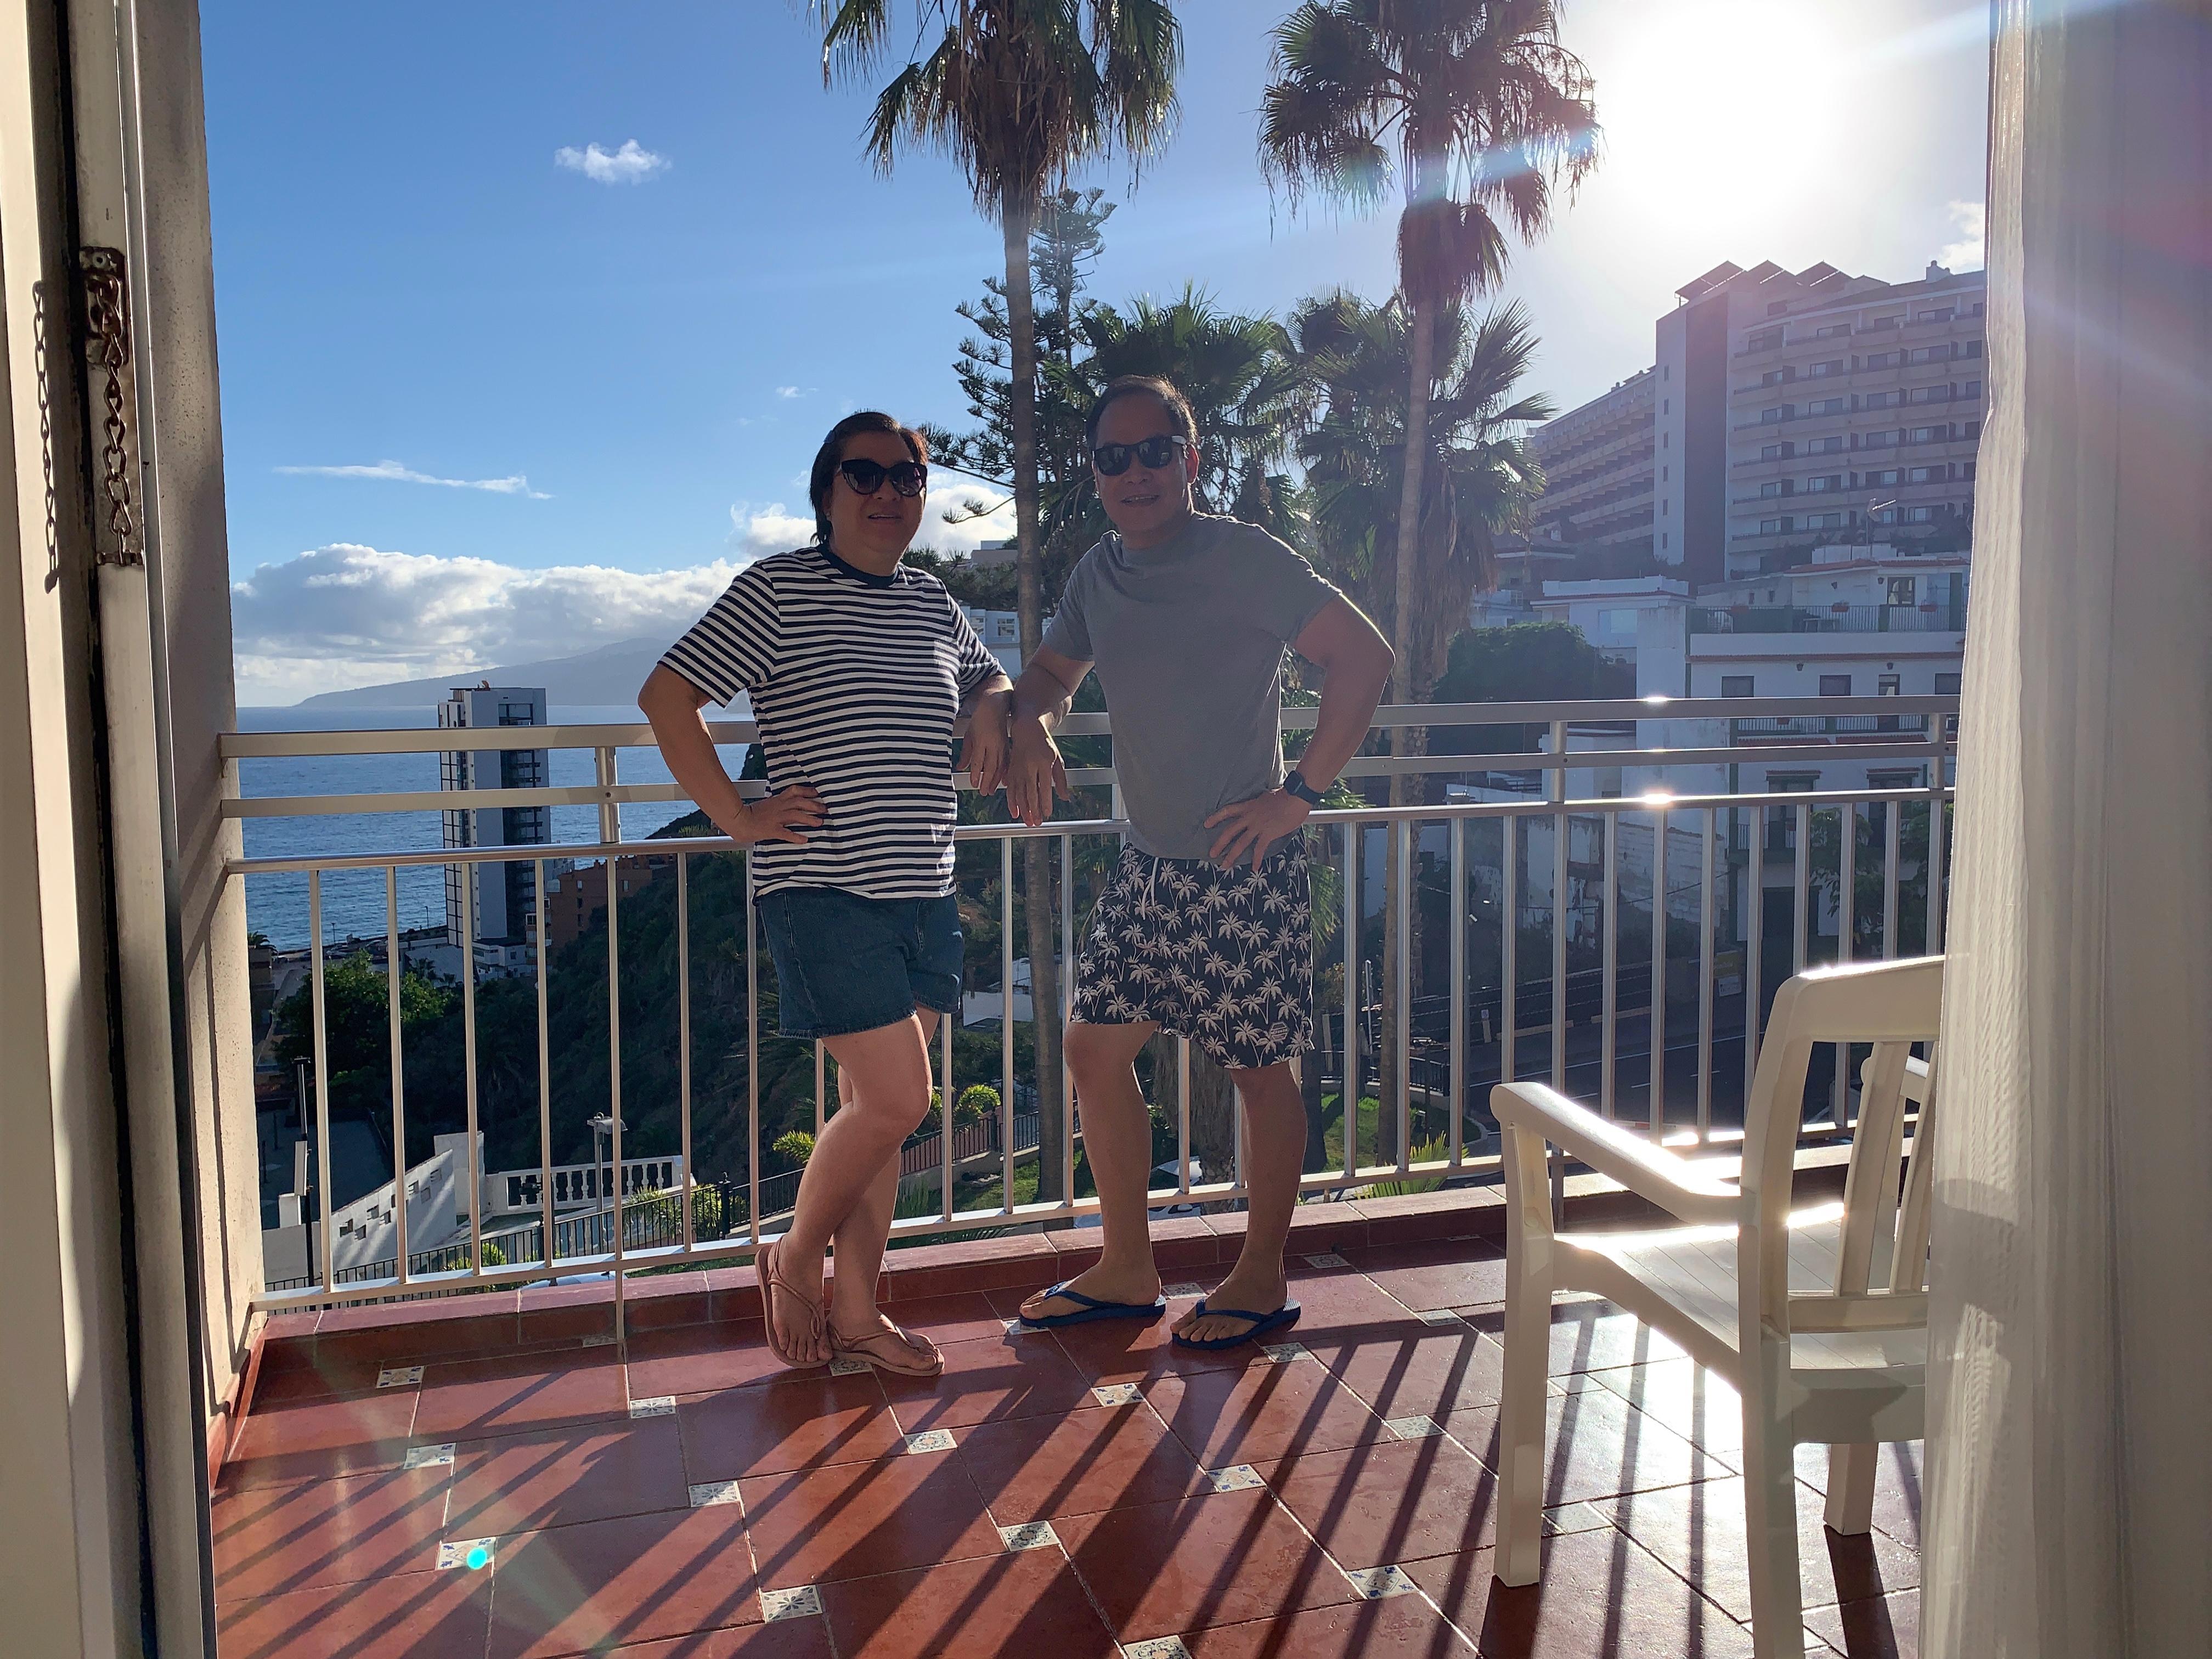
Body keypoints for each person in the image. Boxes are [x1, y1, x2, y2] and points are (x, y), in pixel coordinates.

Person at [1005, 375, 1393, 1350]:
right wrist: (1034, 722)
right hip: (1148, 865)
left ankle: (1260, 1276)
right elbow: (1054, 670)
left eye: (1153, 449)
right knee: (1093, 1051)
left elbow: (1365, 658)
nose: (1134, 471)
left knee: (1260, 1070)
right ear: (1094, 474)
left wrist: (1298, 794)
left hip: (1239, 862)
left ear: (1191, 456)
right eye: (1112, 456)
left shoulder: (1242, 557)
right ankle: (1129, 1266)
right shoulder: (1100, 573)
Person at [640, 411, 1013, 1375]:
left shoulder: (934, 602)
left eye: (908, 478)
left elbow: (991, 679)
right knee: (898, 1099)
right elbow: (668, 696)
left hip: (925, 889)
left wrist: (999, 712)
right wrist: (735, 816)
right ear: (827, 491)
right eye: (866, 475)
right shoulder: (778, 590)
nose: (890, 493)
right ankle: (794, 1256)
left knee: (872, 1111)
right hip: (822, 886)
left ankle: (857, 1314)